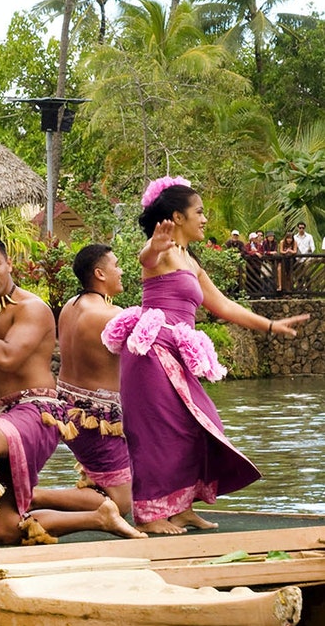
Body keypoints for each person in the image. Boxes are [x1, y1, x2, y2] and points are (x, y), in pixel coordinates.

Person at [102, 176, 310, 535]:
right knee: (158, 434)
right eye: (198, 212)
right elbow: (146, 257)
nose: (204, 219)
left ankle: (181, 508)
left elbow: (223, 305)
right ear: (177, 217)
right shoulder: (163, 252)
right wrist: (153, 245)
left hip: (176, 354)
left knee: (199, 427)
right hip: (152, 353)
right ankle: (150, 515)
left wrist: (270, 325)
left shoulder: (190, 261)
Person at [0, 236, 146, 553]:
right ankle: (99, 517)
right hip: (4, 419)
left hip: (38, 411)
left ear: (9, 264)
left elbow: (7, 358)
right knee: (5, 530)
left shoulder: (33, 308)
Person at [41, 244, 133, 517]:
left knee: (107, 485)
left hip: (68, 412)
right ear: (99, 274)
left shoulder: (71, 306)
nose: (121, 271)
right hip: (97, 419)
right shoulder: (111, 315)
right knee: (122, 503)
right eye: (116, 265)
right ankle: (32, 495)